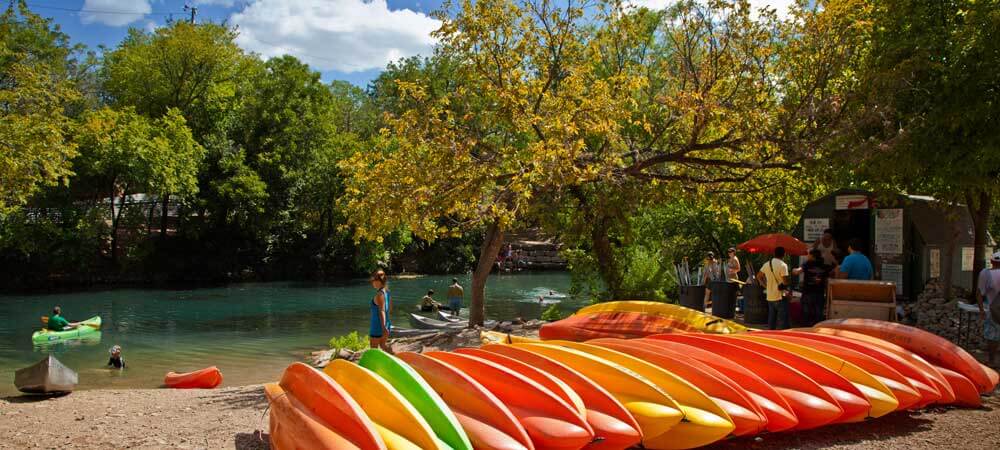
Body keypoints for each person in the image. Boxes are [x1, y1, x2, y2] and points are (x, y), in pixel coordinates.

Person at [793, 248, 832, 326]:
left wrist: (793, 270)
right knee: (818, 313)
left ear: (812, 256)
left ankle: (805, 329)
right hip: (819, 293)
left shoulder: (807, 264)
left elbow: (797, 271)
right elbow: (831, 274)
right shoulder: (824, 264)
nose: (807, 256)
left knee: (806, 313)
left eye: (808, 254)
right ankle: (817, 329)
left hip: (808, 292)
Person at [757, 246, 790, 330]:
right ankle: (782, 338)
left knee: (771, 319)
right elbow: (785, 281)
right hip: (780, 296)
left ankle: (770, 335)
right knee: (782, 320)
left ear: (774, 253)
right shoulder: (783, 265)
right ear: (784, 255)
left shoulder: (767, 264)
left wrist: (765, 285)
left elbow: (759, 276)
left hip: (770, 295)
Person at [976, 252, 1000, 365]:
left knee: (992, 336)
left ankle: (992, 360)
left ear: (991, 261)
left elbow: (979, 293)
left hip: (992, 309)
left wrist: (981, 310)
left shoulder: (985, 273)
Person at [368, 270, 392, 352]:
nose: (372, 282)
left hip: (378, 326)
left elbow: (381, 311)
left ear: (379, 281)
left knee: (373, 350)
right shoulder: (387, 292)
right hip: (386, 323)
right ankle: (395, 357)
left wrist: (383, 327)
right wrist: (387, 324)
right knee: (383, 346)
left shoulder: (379, 295)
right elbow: (389, 309)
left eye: (374, 280)